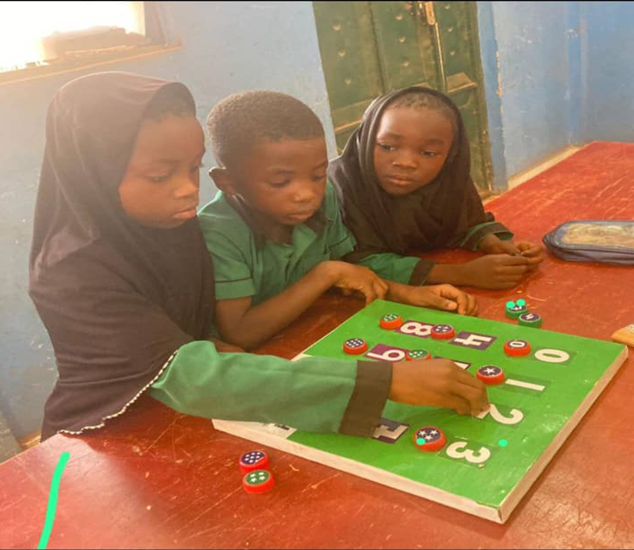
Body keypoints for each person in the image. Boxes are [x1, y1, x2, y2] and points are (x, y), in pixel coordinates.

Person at [29, 72, 489, 441]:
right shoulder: (73, 273)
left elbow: (203, 337)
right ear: (92, 175)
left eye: (191, 168)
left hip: (210, 411)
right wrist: (383, 382)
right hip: (116, 435)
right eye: (159, 175)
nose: (189, 189)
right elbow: (189, 374)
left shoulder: (169, 223)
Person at [199, 90, 478, 352]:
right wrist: (326, 274)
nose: (307, 194)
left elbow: (349, 266)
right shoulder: (218, 233)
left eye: (318, 175)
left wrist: (405, 293)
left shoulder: (326, 196)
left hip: (309, 327)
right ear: (228, 182)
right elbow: (240, 333)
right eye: (281, 181)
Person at [328, 86, 545, 290]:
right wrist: (460, 274)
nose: (405, 162)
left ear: (450, 157)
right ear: (365, 140)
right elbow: (354, 263)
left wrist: (491, 243)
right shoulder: (338, 190)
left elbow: (464, 222)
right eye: (387, 146)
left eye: (428, 153)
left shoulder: (447, 181)